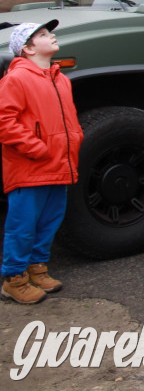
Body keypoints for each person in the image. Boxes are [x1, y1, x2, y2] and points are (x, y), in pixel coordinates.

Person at [0, 19, 83, 305]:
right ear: (28, 48)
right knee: (22, 225)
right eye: (44, 34)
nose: (53, 36)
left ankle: (37, 268)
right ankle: (14, 279)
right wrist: (37, 148)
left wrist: (76, 140)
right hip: (30, 168)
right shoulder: (16, 79)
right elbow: (4, 122)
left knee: (49, 221)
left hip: (58, 166)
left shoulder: (61, 79)